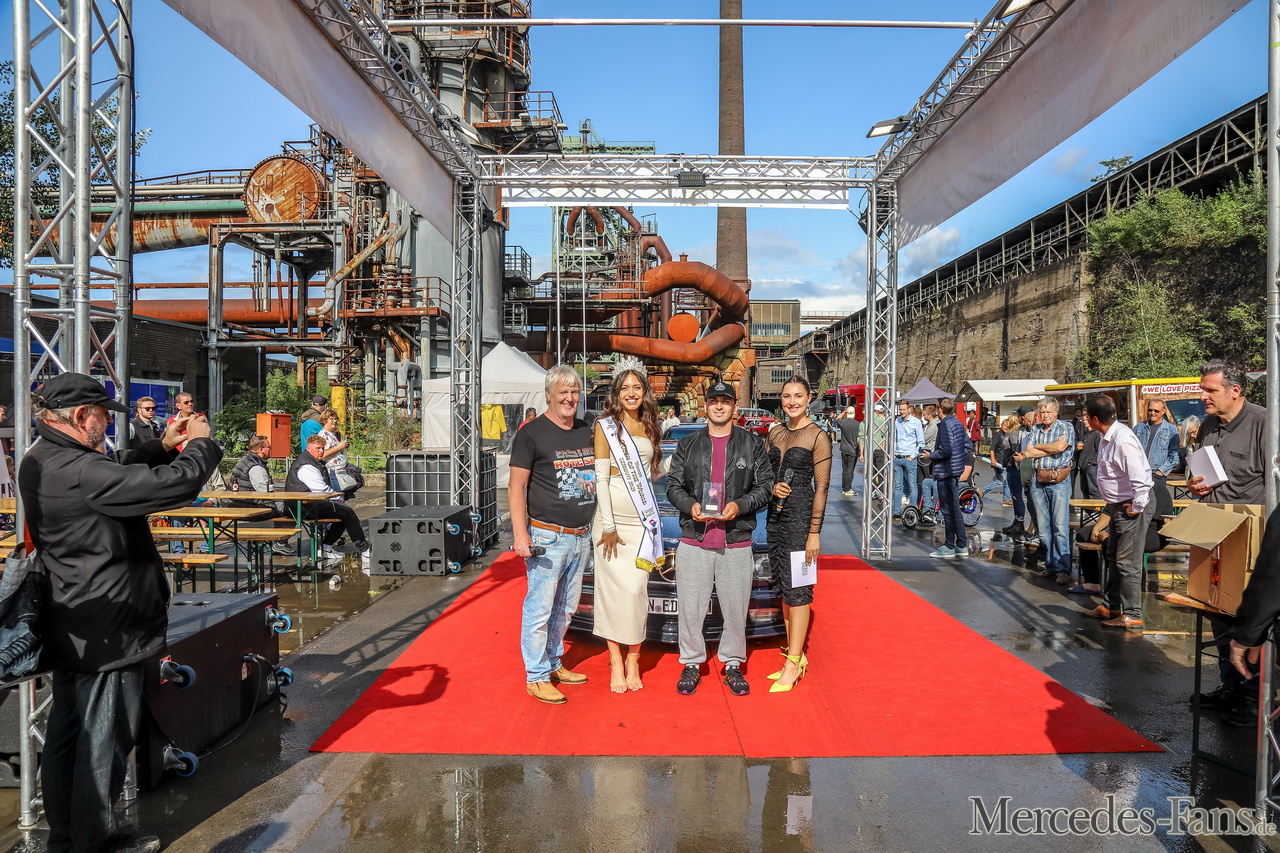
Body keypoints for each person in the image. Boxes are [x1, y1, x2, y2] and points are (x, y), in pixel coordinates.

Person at [19, 372, 222, 853]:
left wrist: (163, 446)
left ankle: (68, 837)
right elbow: (173, 486)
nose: (108, 424)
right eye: (103, 415)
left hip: (75, 619)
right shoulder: (80, 470)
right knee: (104, 740)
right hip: (109, 627)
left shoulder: (41, 458)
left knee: (70, 736)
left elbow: (117, 470)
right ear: (80, 416)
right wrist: (199, 445)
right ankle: (95, 842)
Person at [665, 380, 772, 697]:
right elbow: (673, 486)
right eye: (714, 401)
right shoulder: (689, 444)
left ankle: (733, 663)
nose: (720, 406)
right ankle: (691, 662)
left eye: (725, 401)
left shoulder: (752, 444)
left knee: (736, 609)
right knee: (690, 608)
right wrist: (690, 505)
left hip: (736, 539)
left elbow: (765, 486)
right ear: (706, 406)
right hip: (694, 538)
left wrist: (740, 505)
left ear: (734, 407)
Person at [1186, 360, 1267, 726]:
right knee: (1217, 612)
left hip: (1251, 537)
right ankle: (1230, 688)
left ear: (1236, 390)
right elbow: (1200, 474)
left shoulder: (1264, 423)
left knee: (1247, 618)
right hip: (1213, 532)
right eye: (1202, 389)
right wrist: (1194, 484)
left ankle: (1253, 699)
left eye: (1210, 390)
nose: (1203, 396)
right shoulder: (1207, 425)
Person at [509, 364, 596, 705]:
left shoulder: (586, 430)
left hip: (581, 536)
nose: (570, 398)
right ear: (549, 395)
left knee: (567, 608)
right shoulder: (531, 434)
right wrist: (521, 534)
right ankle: (536, 676)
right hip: (548, 537)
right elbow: (517, 487)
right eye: (563, 392)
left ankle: (554, 662)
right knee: (540, 609)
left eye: (574, 392)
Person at [591, 361, 666, 693]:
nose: (631, 393)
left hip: (641, 523)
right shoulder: (605, 426)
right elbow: (601, 479)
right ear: (617, 393)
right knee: (611, 593)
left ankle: (634, 657)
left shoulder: (650, 426)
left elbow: (652, 474)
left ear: (644, 391)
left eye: (637, 387)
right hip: (611, 526)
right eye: (625, 388)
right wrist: (608, 526)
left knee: (636, 591)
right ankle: (616, 661)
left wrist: (678, 463)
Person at [764, 376, 832, 692]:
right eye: (787, 396)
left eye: (798, 396)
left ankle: (793, 663)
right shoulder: (775, 432)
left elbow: (823, 488)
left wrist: (814, 533)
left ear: (808, 399)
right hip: (775, 518)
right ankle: (794, 655)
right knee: (784, 588)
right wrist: (771, 487)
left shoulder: (818, 436)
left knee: (800, 589)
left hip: (802, 519)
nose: (792, 402)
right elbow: (764, 474)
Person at [1078, 395, 1153, 629]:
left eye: (1087, 417)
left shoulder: (1122, 439)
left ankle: (1132, 613)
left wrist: (1136, 506)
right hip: (1118, 505)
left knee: (1127, 562)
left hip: (1131, 505)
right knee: (1112, 556)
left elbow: (1140, 478)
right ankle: (1111, 606)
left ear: (1095, 418)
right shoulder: (1106, 437)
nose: (1085, 421)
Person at [285, 433, 371, 565]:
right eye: (317, 448)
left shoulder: (311, 461)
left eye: (322, 448)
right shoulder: (306, 465)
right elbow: (321, 489)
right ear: (308, 448)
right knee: (347, 512)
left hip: (304, 505)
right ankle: (365, 550)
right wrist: (338, 497)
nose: (321, 451)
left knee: (343, 513)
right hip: (302, 507)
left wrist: (337, 498)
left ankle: (326, 547)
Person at [1023, 397, 1074, 583]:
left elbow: (1061, 447)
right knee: (1043, 528)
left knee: (1060, 526)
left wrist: (1039, 447)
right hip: (1038, 479)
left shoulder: (1066, 427)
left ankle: (1063, 570)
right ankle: (1050, 566)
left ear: (1056, 413)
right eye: (1042, 412)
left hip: (1059, 480)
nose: (1045, 415)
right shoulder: (1035, 429)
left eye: (1048, 412)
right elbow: (1028, 452)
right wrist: (1050, 448)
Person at [923, 397, 970, 558]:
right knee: (954, 508)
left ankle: (949, 545)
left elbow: (946, 450)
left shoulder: (945, 424)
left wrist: (931, 455)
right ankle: (961, 544)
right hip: (954, 470)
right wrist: (957, 457)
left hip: (946, 471)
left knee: (947, 510)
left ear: (940, 409)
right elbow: (967, 445)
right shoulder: (957, 423)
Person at [1132, 397, 1180, 518]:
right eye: (1150, 410)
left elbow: (1174, 455)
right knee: (1138, 505)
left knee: (1156, 508)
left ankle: (1156, 527)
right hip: (1139, 472)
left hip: (1156, 473)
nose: (1152, 413)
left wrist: (1161, 472)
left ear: (1163, 412)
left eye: (1156, 411)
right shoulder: (1139, 428)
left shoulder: (1171, 430)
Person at [891, 400, 924, 519]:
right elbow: (894, 438)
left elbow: (921, 442)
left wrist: (912, 456)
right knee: (898, 486)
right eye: (900, 409)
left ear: (909, 409)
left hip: (909, 457)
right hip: (898, 457)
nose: (902, 412)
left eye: (904, 409)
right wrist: (894, 453)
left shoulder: (916, 422)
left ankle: (912, 512)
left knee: (912, 486)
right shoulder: (897, 421)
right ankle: (896, 512)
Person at [316, 409, 352, 494]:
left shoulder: (332, 433)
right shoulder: (323, 435)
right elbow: (322, 455)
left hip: (340, 471)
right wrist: (339, 447)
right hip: (333, 473)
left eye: (336, 419)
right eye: (331, 419)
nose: (334, 421)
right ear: (325, 420)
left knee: (342, 496)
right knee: (336, 497)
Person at [832, 406, 861, 497]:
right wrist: (861, 451)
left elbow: (837, 418)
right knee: (850, 470)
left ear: (847, 413)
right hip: (853, 449)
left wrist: (843, 413)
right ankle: (848, 488)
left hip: (844, 449)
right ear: (854, 413)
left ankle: (845, 488)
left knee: (845, 469)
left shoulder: (843, 422)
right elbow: (858, 439)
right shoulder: (857, 424)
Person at [918, 404, 939, 519]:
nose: (924, 416)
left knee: (926, 478)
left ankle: (928, 505)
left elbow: (923, 438)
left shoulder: (933, 426)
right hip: (926, 451)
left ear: (930, 415)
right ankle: (924, 503)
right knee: (922, 479)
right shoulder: (929, 424)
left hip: (928, 452)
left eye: (925, 414)